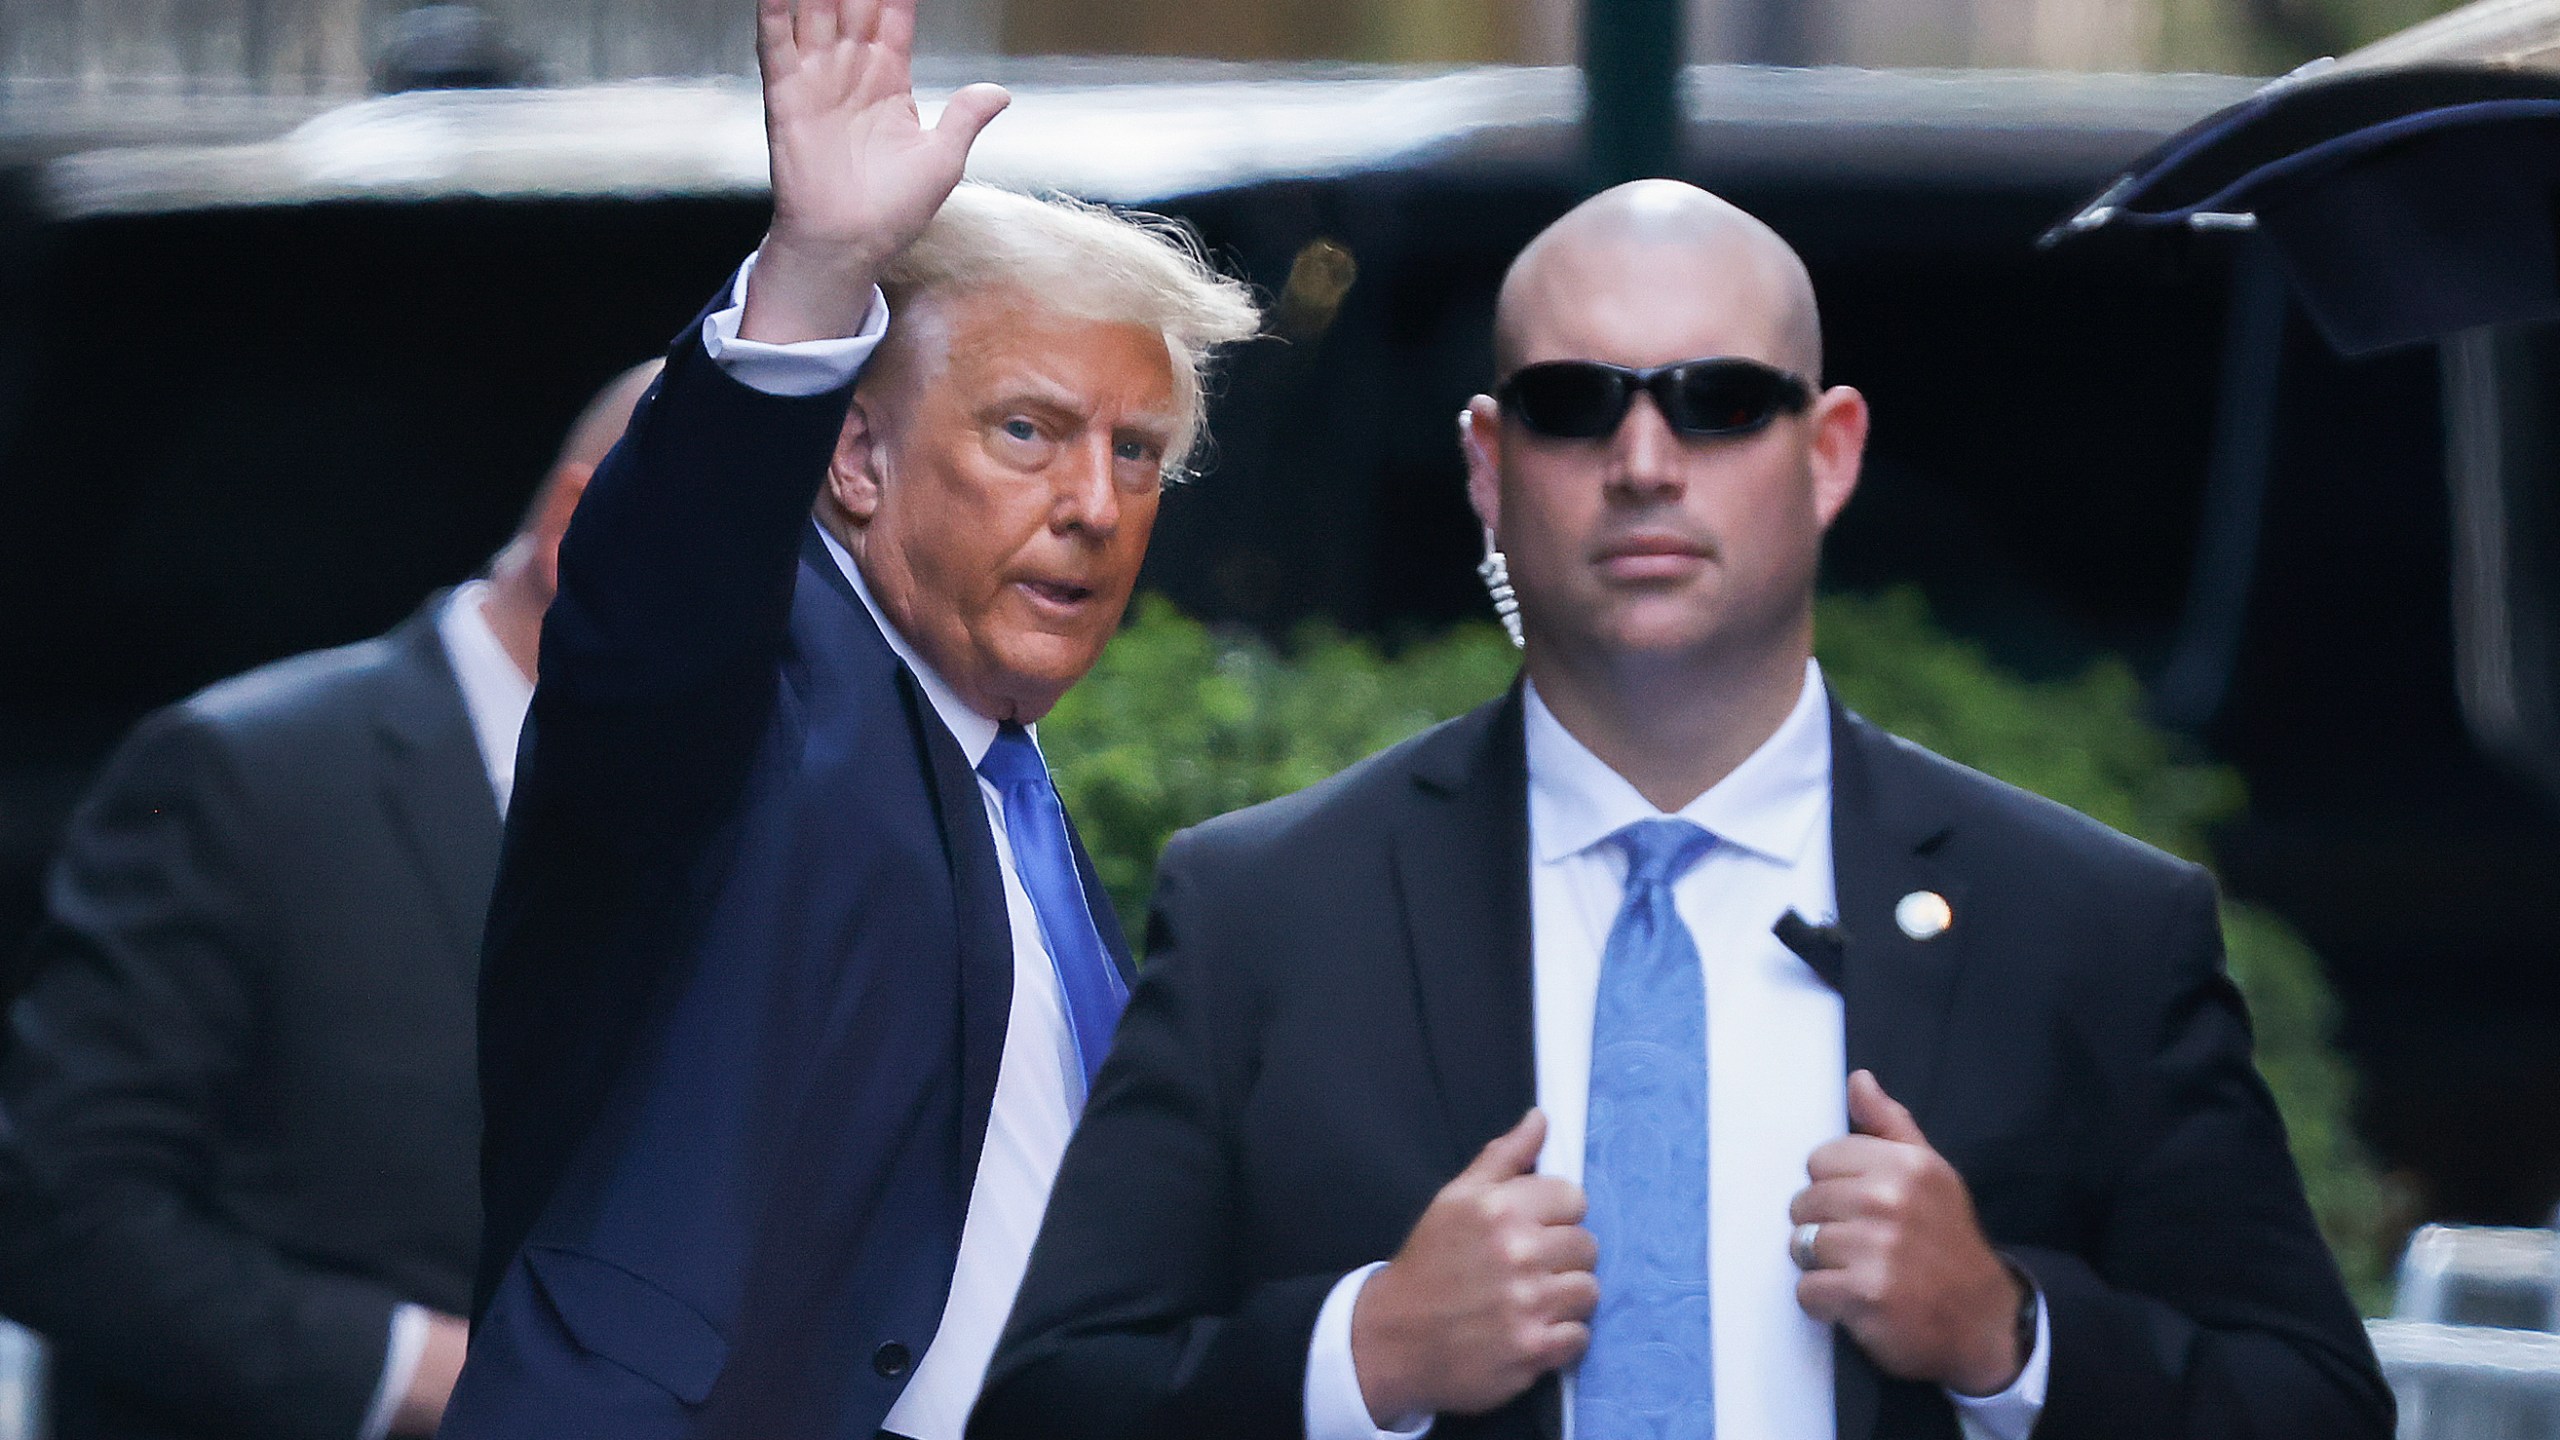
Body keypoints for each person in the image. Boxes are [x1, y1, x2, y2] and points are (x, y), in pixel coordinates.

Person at [972, 182, 2394, 1440]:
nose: (1645, 461)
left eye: (1715, 400)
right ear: (1488, 464)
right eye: (1575, 403)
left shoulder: (2090, 926)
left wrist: (2010, 1337)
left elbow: (2316, 1406)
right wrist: (1369, 1351)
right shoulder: (1268, 912)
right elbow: (1049, 1400)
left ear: (1829, 452)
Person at [438, 4, 1257, 1439]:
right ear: (857, 459)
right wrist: (814, 274)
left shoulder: (1014, 794)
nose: (1094, 502)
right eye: (1028, 430)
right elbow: (658, 608)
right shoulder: (762, 702)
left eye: (1136, 452)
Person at [0, 360, 658, 1440]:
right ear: (580, 528)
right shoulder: (245, 774)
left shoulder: (784, 824)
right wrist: (423, 1372)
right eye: (789, 567)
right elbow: (53, 1208)